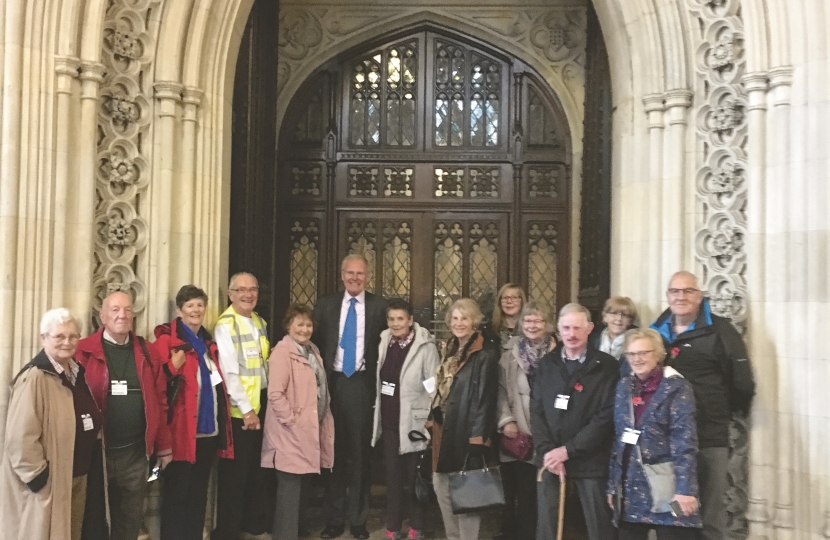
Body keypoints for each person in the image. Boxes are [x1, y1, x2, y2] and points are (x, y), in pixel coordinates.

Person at [650, 271, 755, 540]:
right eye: (675, 291)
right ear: (667, 295)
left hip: (708, 435)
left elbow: (742, 383)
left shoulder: (721, 330)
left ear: (700, 296)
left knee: (710, 515)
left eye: (688, 291)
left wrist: (717, 411)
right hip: (668, 440)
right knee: (674, 513)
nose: (681, 297)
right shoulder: (655, 332)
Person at [75, 292, 171, 540]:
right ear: (103, 316)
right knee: (93, 519)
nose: (122, 315)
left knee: (129, 521)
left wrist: (164, 446)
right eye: (115, 309)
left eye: (128, 309)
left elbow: (161, 400)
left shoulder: (148, 352)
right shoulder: (82, 351)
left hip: (135, 454)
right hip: (98, 454)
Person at [0, 308, 102, 540]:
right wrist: (39, 478)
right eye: (59, 336)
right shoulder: (34, 377)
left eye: (73, 336)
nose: (67, 342)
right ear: (43, 339)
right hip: (50, 483)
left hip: (76, 475)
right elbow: (19, 438)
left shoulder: (76, 372)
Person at [312, 254, 387, 539]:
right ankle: (333, 520)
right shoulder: (325, 305)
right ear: (342, 275)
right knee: (333, 453)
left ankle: (358, 520)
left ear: (368, 276)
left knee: (359, 455)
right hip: (332, 384)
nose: (355, 278)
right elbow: (315, 343)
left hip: (361, 385)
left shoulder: (379, 307)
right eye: (350, 273)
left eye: (360, 273)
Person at [530, 303, 618, 540]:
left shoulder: (607, 366)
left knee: (599, 527)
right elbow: (536, 411)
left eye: (577, 328)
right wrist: (548, 451)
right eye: (566, 328)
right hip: (551, 459)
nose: (571, 334)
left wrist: (569, 450)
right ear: (558, 329)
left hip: (591, 459)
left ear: (589, 328)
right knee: (548, 527)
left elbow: (606, 416)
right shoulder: (547, 364)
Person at [153, 285, 235, 540]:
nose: (196, 310)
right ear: (179, 311)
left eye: (200, 305)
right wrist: (172, 366)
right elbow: (155, 384)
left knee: (199, 496)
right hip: (180, 433)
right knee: (177, 497)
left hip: (207, 434)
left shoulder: (208, 345)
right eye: (190, 305)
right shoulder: (167, 342)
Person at [606, 328, 701, 539]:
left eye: (643, 353)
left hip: (668, 485)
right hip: (630, 486)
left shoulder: (676, 387)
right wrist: (613, 485)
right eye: (631, 354)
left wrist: (685, 490)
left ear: (658, 354)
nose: (636, 359)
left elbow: (684, 441)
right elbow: (618, 440)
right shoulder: (624, 386)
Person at [427, 298, 500, 540]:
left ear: (474, 321)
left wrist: (478, 437)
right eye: (455, 318)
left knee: (467, 492)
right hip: (444, 429)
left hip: (466, 431)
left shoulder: (484, 354)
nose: (459, 323)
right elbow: (439, 389)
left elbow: (486, 399)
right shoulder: (449, 349)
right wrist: (431, 418)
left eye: (465, 318)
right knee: (441, 486)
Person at [262, 304, 335, 540]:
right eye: (299, 324)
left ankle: (296, 533)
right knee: (289, 495)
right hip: (289, 434)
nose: (304, 329)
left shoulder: (312, 350)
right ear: (288, 326)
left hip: (308, 432)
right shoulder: (282, 353)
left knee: (302, 491)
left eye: (308, 324)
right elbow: (275, 394)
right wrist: (293, 421)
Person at [370, 298, 440, 540]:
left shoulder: (424, 347)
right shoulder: (384, 341)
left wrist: (431, 416)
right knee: (393, 479)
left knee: (414, 478)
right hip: (390, 422)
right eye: (391, 319)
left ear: (410, 320)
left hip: (414, 423)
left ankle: (416, 527)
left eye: (400, 319)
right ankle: (393, 526)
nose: (395, 324)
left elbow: (433, 386)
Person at [214, 272, 274, 539]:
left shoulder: (259, 321)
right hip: (239, 412)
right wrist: (247, 410)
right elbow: (229, 373)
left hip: (261, 406)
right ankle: (229, 531)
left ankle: (252, 524)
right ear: (230, 294)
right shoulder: (226, 325)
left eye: (253, 289)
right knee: (235, 476)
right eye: (241, 290)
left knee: (256, 472)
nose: (248, 295)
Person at [496, 300, 556, 540]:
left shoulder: (558, 353)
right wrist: (506, 420)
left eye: (538, 320)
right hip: (518, 429)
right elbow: (501, 390)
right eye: (528, 320)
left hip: (548, 431)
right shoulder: (510, 353)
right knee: (518, 489)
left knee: (541, 491)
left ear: (547, 324)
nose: (532, 325)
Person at [589, 296, 639, 378]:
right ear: (605, 317)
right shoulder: (592, 340)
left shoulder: (635, 343)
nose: (619, 319)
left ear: (630, 321)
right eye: (614, 313)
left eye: (625, 315)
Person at [481, 284, 527, 350]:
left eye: (514, 297)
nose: (509, 301)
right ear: (500, 302)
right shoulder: (488, 330)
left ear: (521, 301)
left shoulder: (530, 329)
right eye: (505, 298)